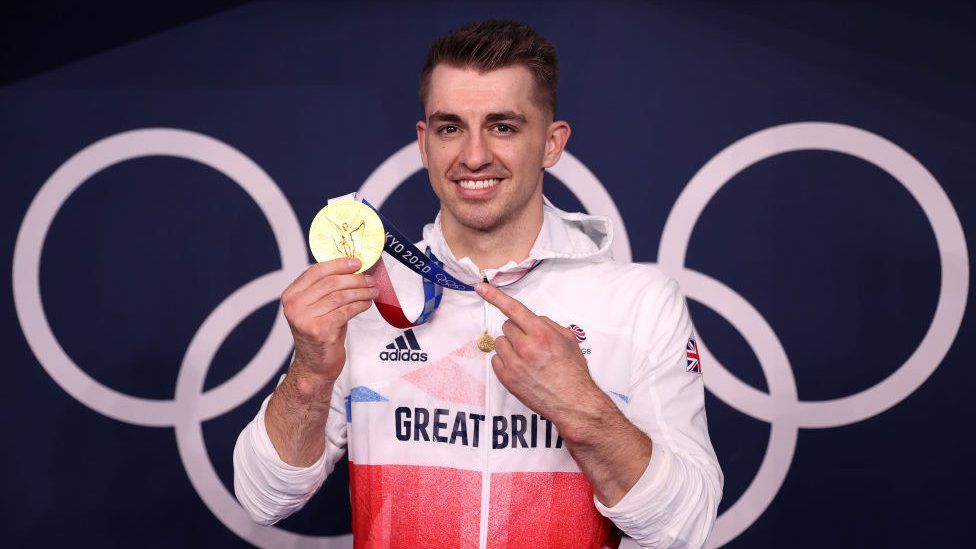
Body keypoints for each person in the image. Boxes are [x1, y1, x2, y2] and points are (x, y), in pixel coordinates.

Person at [234, 19, 722, 548]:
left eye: (503, 127)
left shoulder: (639, 302)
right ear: (424, 144)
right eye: (450, 128)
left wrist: (581, 408)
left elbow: (686, 528)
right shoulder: (372, 294)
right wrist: (309, 373)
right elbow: (263, 499)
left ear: (552, 143)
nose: (472, 156)